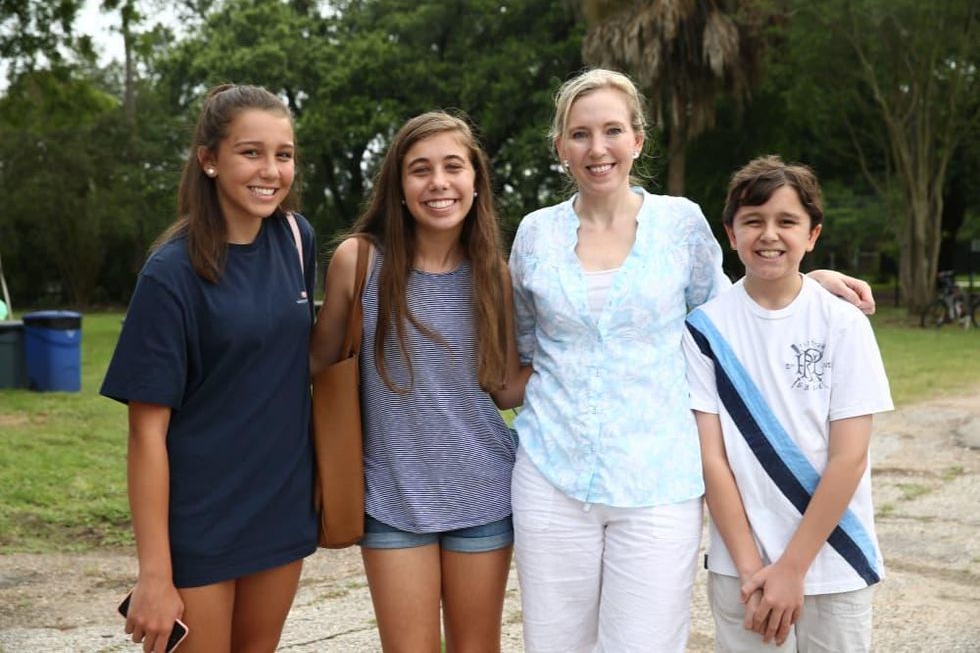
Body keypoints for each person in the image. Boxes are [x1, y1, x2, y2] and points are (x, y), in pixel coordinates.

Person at [507, 68, 876, 652]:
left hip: (660, 476)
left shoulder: (680, 224)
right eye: (580, 134)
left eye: (611, 131)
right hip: (552, 473)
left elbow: (729, 310)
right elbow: (523, 344)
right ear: (560, 147)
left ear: (638, 140)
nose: (596, 148)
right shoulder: (533, 235)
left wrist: (809, 279)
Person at [101, 84, 318, 653]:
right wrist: (155, 572)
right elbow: (146, 434)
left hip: (281, 507)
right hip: (201, 522)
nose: (271, 170)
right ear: (209, 160)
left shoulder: (297, 241)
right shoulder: (170, 275)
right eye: (251, 152)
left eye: (284, 154)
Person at [310, 111, 528, 652]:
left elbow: (503, 388)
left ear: (475, 182)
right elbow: (316, 365)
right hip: (391, 498)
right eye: (420, 169)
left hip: (484, 495)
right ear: (398, 186)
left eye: (453, 167)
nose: (438, 183)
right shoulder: (358, 263)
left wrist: (591, 358)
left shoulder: (495, 274)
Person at [682, 156, 893, 652]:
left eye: (787, 221)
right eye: (753, 221)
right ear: (730, 234)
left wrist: (793, 569)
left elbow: (850, 456)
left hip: (834, 561)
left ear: (813, 234)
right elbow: (712, 460)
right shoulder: (704, 330)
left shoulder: (843, 324)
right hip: (743, 568)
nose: (769, 234)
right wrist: (754, 569)